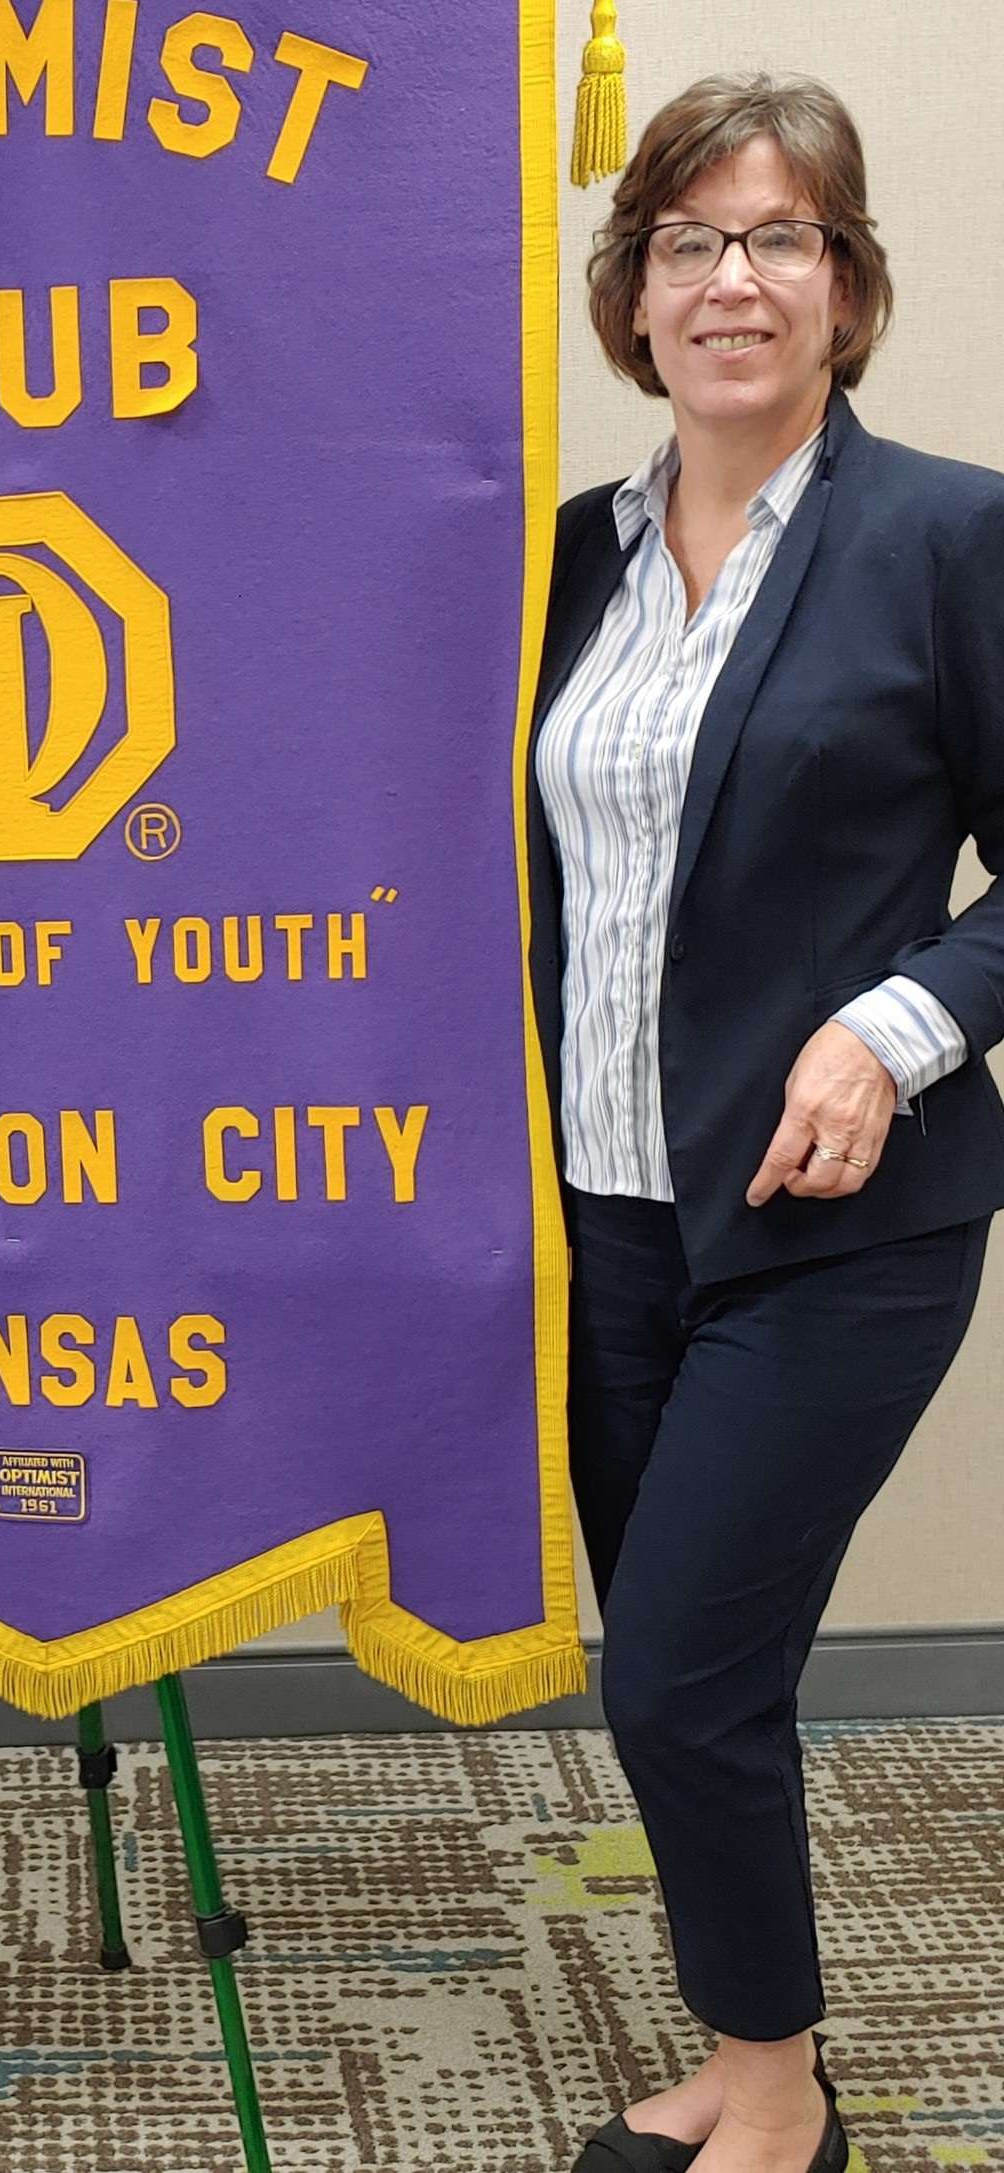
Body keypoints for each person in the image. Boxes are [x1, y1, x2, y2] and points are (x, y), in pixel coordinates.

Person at [529, 74, 1004, 2173]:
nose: (734, 279)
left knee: (677, 1684)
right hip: (601, 1217)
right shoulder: (564, 564)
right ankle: (741, 2043)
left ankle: (784, 2098)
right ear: (631, 296)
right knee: (684, 1672)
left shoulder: (947, 536)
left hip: (839, 1223)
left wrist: (895, 1023)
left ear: (847, 287)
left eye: (782, 237)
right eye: (690, 242)